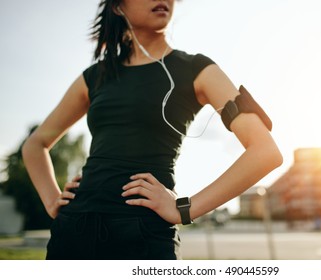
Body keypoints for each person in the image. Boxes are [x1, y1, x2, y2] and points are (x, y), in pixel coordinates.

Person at [22, 0, 283, 260]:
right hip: (74, 230)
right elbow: (36, 144)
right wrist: (51, 199)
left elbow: (265, 152)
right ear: (117, 7)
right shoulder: (94, 76)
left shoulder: (197, 69)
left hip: (144, 234)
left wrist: (184, 209)